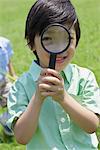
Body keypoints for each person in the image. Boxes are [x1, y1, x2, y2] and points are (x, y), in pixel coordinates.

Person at [7, 0, 100, 149]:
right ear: (31, 44)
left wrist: (63, 98)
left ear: (76, 40)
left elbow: (92, 125)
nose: (60, 49)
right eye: (48, 39)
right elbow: (22, 137)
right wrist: (38, 98)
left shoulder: (84, 77)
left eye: (66, 38)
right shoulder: (21, 86)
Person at [0, 36, 16, 136]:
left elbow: (8, 60)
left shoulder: (4, 42)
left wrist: (13, 74)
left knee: (15, 99)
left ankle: (5, 120)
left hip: (3, 82)